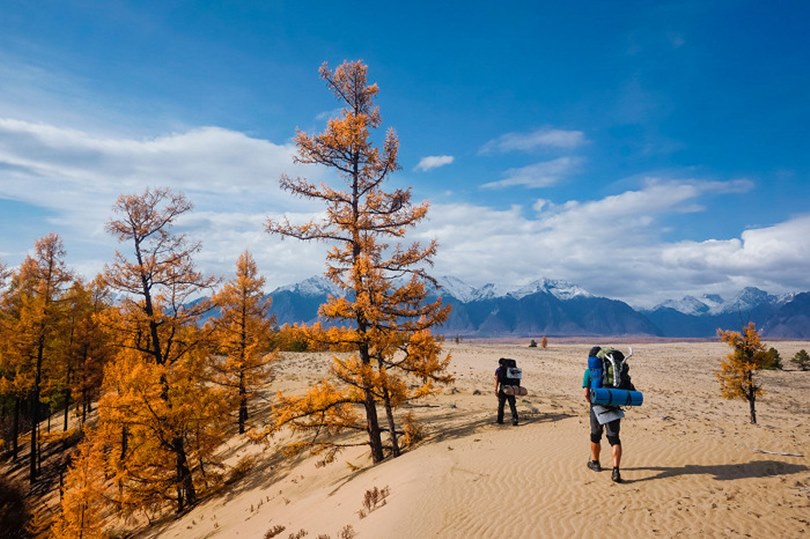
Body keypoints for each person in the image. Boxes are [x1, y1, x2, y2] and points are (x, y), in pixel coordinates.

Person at [583, 346, 623, 483]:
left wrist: (593, 402)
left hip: (596, 406)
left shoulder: (590, 372)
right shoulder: (614, 372)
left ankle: (595, 463)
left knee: (595, 435)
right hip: (614, 402)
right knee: (614, 439)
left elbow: (586, 394)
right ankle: (616, 470)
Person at [495, 359, 519, 425]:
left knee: (501, 405)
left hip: (503, 388)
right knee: (512, 405)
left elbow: (497, 380)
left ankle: (500, 420)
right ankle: (515, 419)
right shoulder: (513, 370)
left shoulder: (499, 370)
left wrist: (495, 389)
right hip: (511, 388)